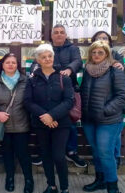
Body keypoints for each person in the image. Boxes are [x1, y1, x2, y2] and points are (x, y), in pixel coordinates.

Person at [80, 41, 125, 193]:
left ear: (107, 54)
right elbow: (84, 91)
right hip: (89, 119)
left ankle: (113, 189)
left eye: (100, 53)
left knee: (105, 153)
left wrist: (105, 110)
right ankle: (100, 180)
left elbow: (123, 95)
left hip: (109, 120)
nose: (96, 56)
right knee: (96, 151)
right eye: (94, 53)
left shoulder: (115, 70)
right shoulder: (87, 70)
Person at [24, 44, 74, 193]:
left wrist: (52, 115)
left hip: (61, 123)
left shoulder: (63, 78)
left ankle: (65, 190)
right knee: (46, 156)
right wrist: (44, 117)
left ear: (53, 58)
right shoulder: (32, 80)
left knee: (59, 156)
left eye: (49, 56)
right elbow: (28, 102)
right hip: (41, 124)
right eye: (43, 57)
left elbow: (69, 101)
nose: (47, 59)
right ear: (38, 60)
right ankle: (51, 186)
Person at [30, 24, 86, 168]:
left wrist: (69, 69)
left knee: (70, 123)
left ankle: (71, 152)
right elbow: (35, 63)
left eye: (62, 32)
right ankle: (44, 153)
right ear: (51, 35)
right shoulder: (46, 48)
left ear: (65, 35)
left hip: (67, 89)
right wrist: (33, 72)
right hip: (47, 89)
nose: (59, 35)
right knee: (44, 120)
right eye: (56, 32)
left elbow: (78, 62)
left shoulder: (73, 48)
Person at [0, 53, 34, 193]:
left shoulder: (26, 80)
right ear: (3, 65)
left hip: (22, 124)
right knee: (7, 154)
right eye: (8, 62)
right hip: (2, 125)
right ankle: (10, 178)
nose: (11, 65)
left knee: (23, 154)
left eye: (13, 62)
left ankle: (29, 180)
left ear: (17, 65)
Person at [91, 31, 125, 169]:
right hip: (94, 113)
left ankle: (115, 163)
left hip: (111, 112)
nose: (102, 40)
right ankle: (101, 178)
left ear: (110, 42)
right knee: (100, 148)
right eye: (98, 38)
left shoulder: (117, 59)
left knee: (110, 145)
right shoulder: (90, 64)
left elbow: (123, 87)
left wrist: (107, 109)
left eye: (104, 38)